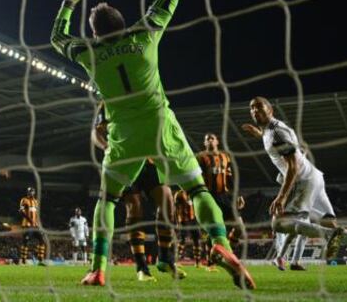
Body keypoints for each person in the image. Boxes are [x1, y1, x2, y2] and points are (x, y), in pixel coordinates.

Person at [51, 0, 254, 289]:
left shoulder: (88, 52)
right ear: (123, 21)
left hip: (123, 136)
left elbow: (57, 37)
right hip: (161, 125)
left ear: (94, 32)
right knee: (197, 190)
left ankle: (98, 269)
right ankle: (220, 242)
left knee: (108, 200)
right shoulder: (144, 34)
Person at [241, 96, 347, 277]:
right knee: (333, 227)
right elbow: (273, 140)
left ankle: (324, 237)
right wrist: (258, 133)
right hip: (314, 177)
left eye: (259, 107)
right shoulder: (274, 130)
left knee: (278, 223)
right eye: (252, 108)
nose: (255, 111)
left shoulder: (277, 133)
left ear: (270, 110)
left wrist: (282, 196)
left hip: (303, 181)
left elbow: (293, 166)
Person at [94, 114, 184, 281]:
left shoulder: (149, 97)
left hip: (151, 161)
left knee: (168, 202)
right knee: (134, 207)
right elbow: (96, 132)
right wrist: (106, 146)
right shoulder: (111, 100)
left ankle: (165, 258)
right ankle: (142, 267)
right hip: (126, 161)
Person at [196, 133, 246, 266]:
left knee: (239, 226)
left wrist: (238, 195)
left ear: (217, 141)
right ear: (205, 143)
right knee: (210, 230)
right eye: (207, 139)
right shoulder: (200, 157)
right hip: (208, 196)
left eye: (212, 138)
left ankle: (227, 251)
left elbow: (230, 178)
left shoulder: (225, 157)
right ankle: (210, 262)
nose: (210, 141)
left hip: (224, 196)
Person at [174, 189, 204, 267]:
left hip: (193, 219)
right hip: (184, 220)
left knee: (197, 240)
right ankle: (176, 261)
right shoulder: (179, 194)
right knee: (182, 240)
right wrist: (177, 222)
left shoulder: (191, 194)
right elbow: (176, 209)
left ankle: (197, 262)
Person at [18, 187, 47, 265]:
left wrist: (38, 223)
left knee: (42, 240)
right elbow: (21, 211)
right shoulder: (24, 200)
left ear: (34, 192)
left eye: (32, 192)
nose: (31, 193)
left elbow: (36, 214)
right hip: (27, 225)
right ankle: (23, 261)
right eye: (29, 192)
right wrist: (30, 220)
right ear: (27, 192)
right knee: (26, 241)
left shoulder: (35, 201)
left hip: (35, 225)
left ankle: (40, 259)